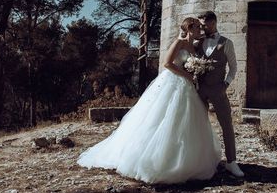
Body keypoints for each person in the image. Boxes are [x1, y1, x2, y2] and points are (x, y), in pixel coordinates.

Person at [77, 17, 220, 184]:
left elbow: (194, 62)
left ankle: (184, 159)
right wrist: (187, 75)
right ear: (189, 29)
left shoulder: (194, 47)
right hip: (173, 82)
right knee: (163, 118)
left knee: (185, 121)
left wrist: (195, 72)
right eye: (196, 28)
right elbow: (167, 63)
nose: (199, 31)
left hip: (188, 85)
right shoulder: (179, 43)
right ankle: (155, 159)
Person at [197, 10, 245, 178]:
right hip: (199, 91)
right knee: (197, 125)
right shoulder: (197, 42)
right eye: (200, 25)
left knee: (227, 125)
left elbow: (233, 67)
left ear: (213, 23)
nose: (201, 28)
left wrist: (225, 84)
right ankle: (200, 160)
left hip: (218, 89)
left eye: (203, 25)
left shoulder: (227, 43)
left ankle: (231, 162)